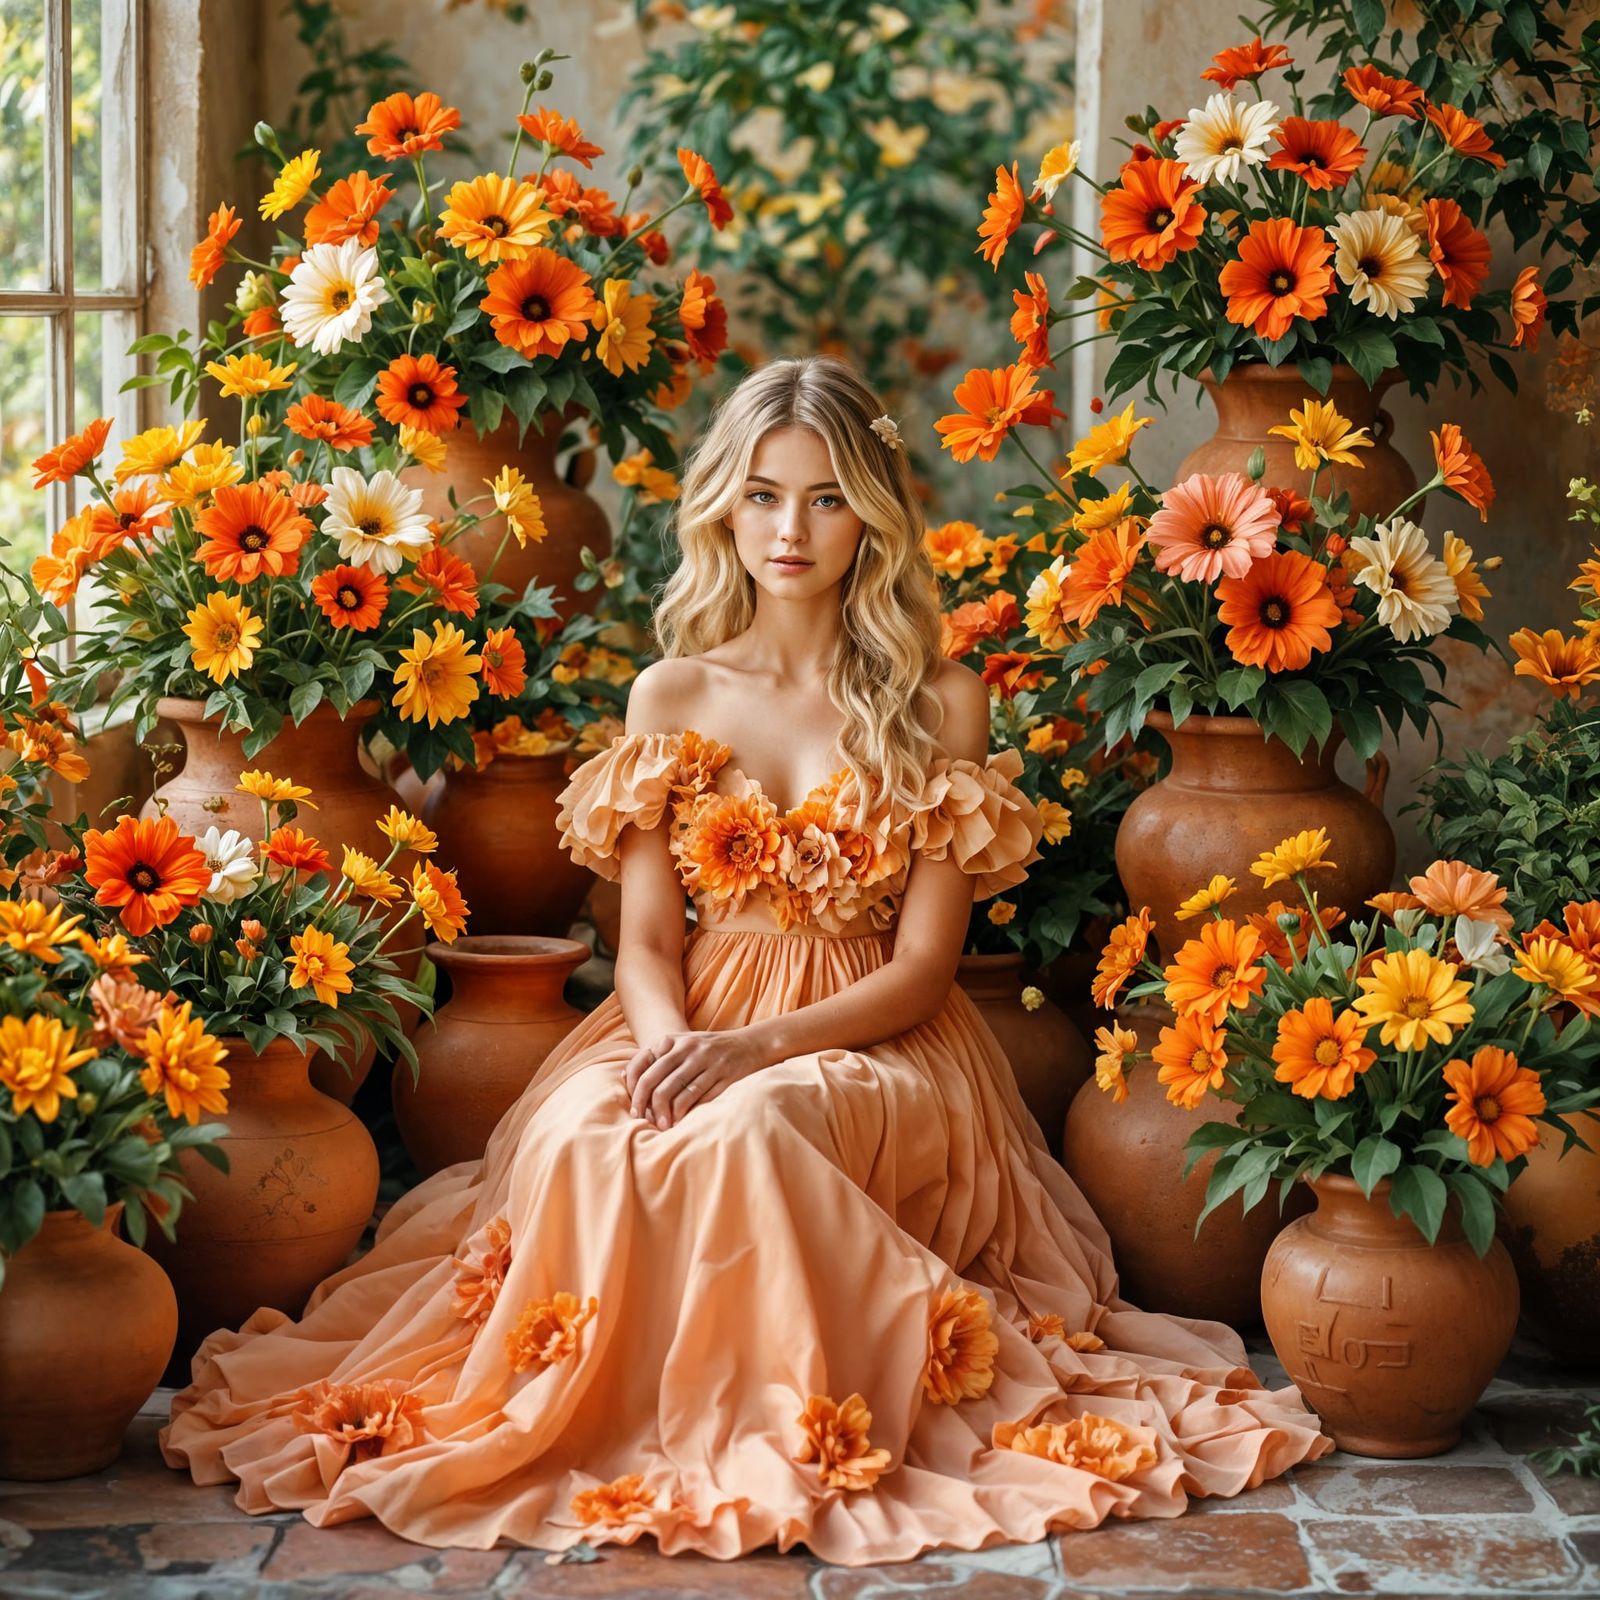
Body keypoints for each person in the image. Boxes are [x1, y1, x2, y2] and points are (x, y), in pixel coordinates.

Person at [161, 355, 1331, 1565]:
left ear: (869, 515)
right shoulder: (673, 690)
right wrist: (671, 1050)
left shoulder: (938, 701)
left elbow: (928, 964)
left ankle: (773, 1426)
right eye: (763, 494)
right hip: (684, 1014)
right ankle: (625, 1419)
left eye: (825, 498)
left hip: (870, 1036)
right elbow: (646, 943)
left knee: (749, 1129)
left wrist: (753, 1050)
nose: (790, 527)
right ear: (723, 502)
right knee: (583, 1133)